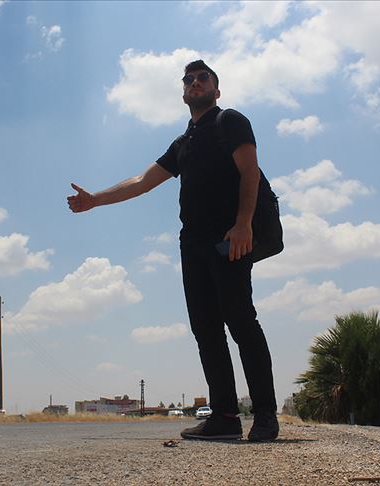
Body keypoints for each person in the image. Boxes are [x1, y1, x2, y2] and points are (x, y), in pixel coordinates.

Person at [67, 60, 279, 442]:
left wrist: (243, 223)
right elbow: (142, 181)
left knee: (241, 321)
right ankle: (225, 417)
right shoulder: (183, 144)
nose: (195, 82)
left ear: (216, 89)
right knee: (206, 330)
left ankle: (265, 415)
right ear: (183, 92)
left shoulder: (230, 121)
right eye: (188, 79)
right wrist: (94, 200)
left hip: (229, 238)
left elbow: (250, 170)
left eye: (203, 78)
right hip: (192, 245)